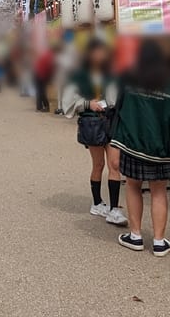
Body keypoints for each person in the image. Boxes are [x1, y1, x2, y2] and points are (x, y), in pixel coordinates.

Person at [109, 38, 170, 257]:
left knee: (132, 186)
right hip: (160, 147)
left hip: (131, 145)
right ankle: (159, 242)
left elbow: (114, 104)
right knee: (158, 192)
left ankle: (136, 236)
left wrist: (115, 144)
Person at [61, 39, 127, 226]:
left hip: (112, 120)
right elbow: (67, 102)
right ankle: (97, 202)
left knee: (115, 164)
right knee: (98, 164)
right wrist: (87, 103)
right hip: (93, 121)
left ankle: (114, 209)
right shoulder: (79, 75)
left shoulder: (112, 73)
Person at [33, 46, 55, 112]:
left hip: (38, 74)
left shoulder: (45, 54)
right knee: (41, 91)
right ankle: (44, 107)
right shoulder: (50, 56)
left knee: (40, 91)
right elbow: (49, 68)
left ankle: (40, 107)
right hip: (42, 75)